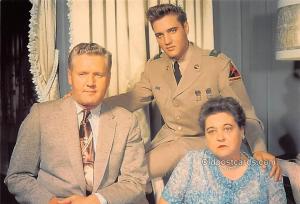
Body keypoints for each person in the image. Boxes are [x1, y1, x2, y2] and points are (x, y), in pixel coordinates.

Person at [105, 3, 280, 179]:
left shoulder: (217, 63)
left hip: (206, 141)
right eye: (159, 35)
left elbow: (245, 113)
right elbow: (133, 98)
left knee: (136, 175)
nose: (166, 41)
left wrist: (259, 149)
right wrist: (93, 103)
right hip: (169, 140)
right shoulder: (154, 66)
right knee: (124, 170)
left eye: (172, 30)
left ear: (186, 27)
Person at [5, 43, 149, 204]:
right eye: (82, 74)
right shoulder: (41, 116)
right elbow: (18, 176)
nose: (90, 82)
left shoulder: (126, 121)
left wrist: (97, 200)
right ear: (69, 76)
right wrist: (50, 202)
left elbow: (136, 181)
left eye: (99, 75)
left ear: (108, 78)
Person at [159, 97, 287, 204]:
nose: (220, 137)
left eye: (227, 128)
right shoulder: (192, 162)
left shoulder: (266, 170)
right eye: (211, 131)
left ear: (242, 131)